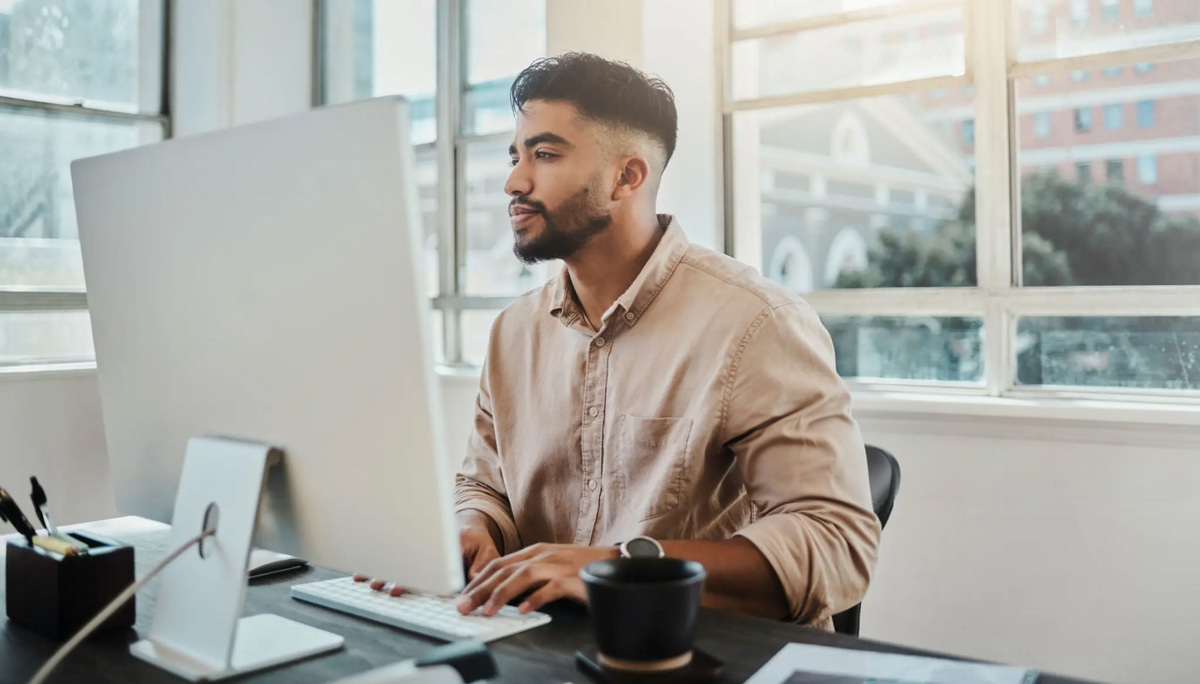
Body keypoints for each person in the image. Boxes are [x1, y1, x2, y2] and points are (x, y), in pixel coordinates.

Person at [371, 52, 880, 629]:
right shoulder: (513, 332)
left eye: (544, 154)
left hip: (699, 656)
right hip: (543, 646)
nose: (514, 181)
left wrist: (616, 569)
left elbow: (837, 542)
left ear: (627, 177)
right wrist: (471, 529)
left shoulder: (757, 323)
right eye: (515, 156)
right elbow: (484, 484)